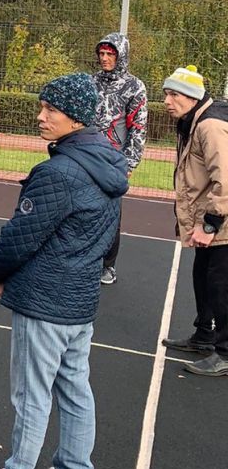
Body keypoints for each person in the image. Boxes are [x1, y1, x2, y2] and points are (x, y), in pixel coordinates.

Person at [0, 73, 128, 469]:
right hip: (79, 302)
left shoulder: (59, 173)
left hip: (46, 303)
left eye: (49, 109)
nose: (40, 116)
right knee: (76, 390)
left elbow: (21, 237)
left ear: (74, 117)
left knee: (32, 396)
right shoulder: (109, 165)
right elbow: (108, 240)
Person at [159, 65, 228, 376]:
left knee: (220, 285)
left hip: (221, 222)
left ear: (191, 97)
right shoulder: (193, 121)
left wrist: (210, 224)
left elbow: (225, 179)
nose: (167, 101)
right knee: (203, 277)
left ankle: (225, 353)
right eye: (166, 94)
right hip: (210, 219)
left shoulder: (209, 126)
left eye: (173, 94)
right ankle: (205, 334)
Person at [92, 33, 147, 285]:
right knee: (82, 207)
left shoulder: (135, 86)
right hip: (86, 154)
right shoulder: (90, 81)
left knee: (111, 213)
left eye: (110, 54)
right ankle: (85, 258)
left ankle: (108, 265)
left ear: (120, 56)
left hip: (114, 160)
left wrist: (129, 162)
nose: (104, 59)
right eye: (101, 54)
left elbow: (138, 127)